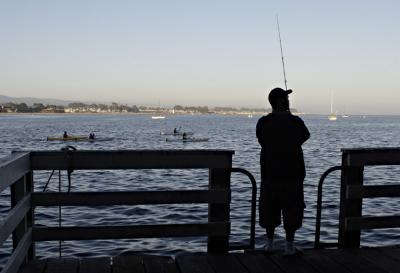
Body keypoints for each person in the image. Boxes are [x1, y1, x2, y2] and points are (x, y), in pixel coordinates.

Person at [256, 87, 310, 256]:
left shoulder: (263, 122)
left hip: (269, 174)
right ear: (279, 101)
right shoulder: (296, 122)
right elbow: (305, 136)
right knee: (292, 209)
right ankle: (289, 247)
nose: (288, 101)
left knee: (269, 208)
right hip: (293, 174)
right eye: (285, 99)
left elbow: (261, 140)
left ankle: (270, 244)